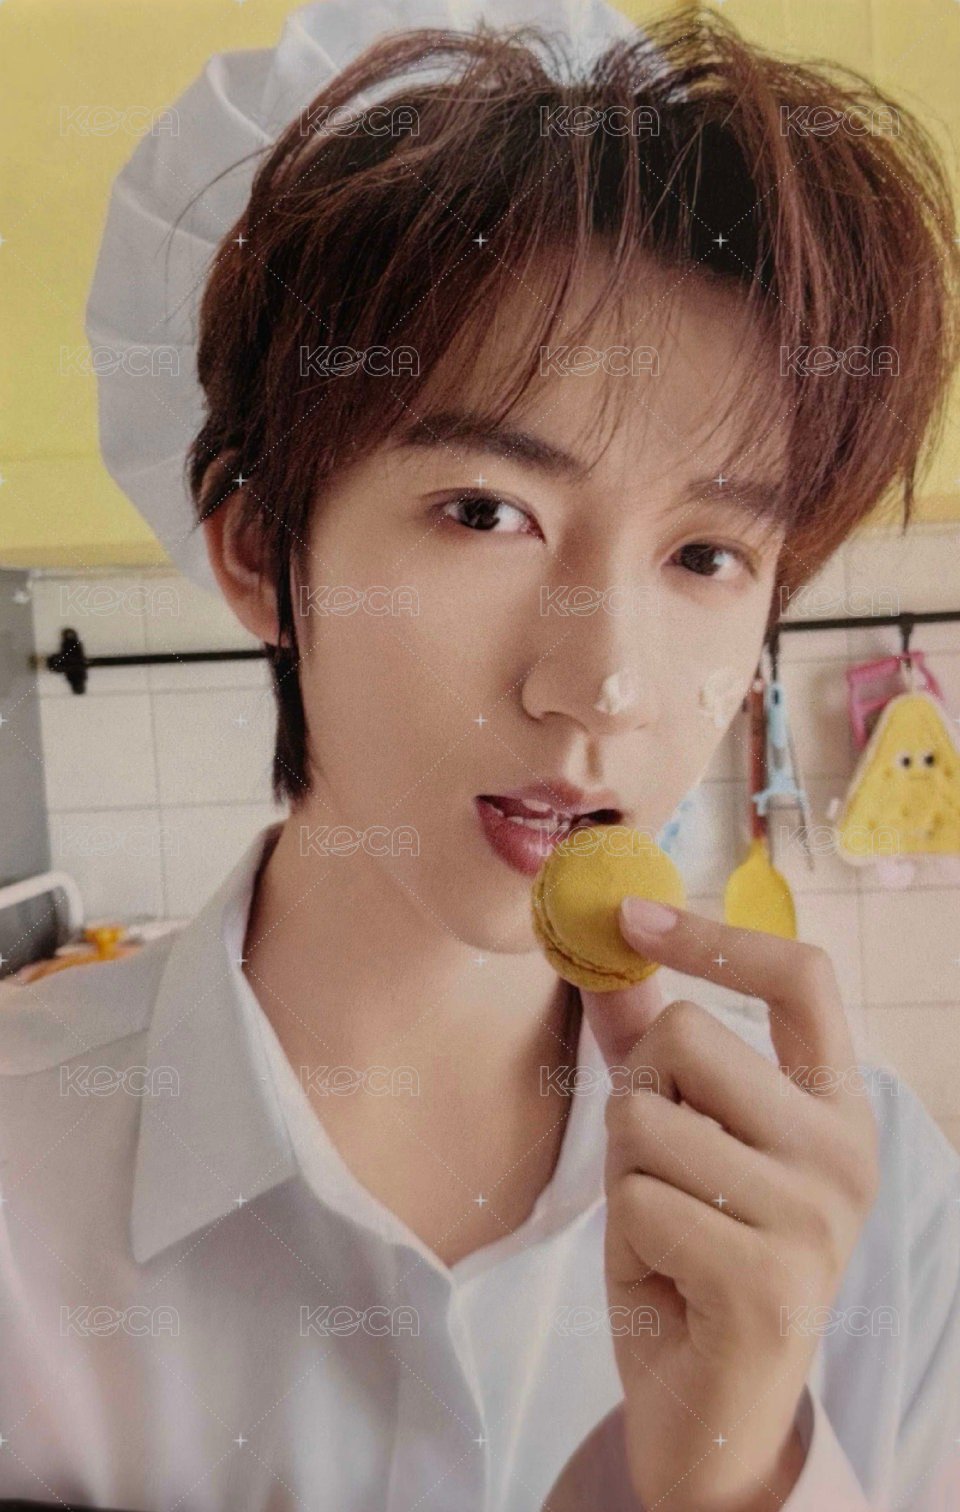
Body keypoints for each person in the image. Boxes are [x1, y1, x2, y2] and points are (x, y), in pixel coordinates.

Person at [2, 3, 959, 1508]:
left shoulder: (875, 1198)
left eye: (707, 553)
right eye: (486, 512)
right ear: (260, 548)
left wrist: (734, 1471)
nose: (603, 683)